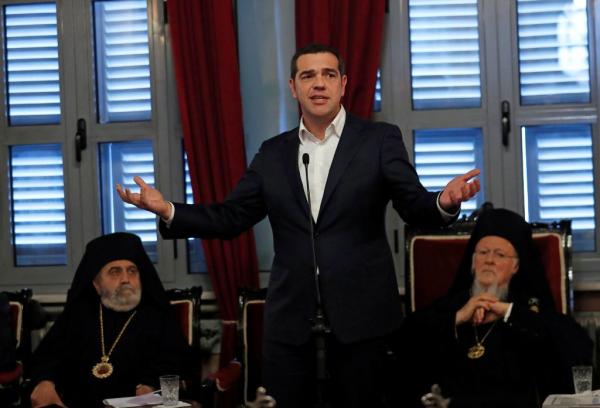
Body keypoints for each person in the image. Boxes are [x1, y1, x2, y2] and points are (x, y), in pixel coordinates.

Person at [117, 43, 480, 407]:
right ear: (293, 87)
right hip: (291, 322)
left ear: (343, 84)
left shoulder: (378, 140)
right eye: (308, 76)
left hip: (364, 319)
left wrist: (443, 201)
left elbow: (413, 205)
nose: (318, 83)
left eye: (328, 74)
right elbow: (230, 217)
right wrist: (168, 209)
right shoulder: (273, 153)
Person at [398, 208, 593, 408]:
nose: (489, 260)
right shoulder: (453, 305)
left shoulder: (528, 309)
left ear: (516, 266)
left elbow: (578, 350)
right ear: (473, 262)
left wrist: (508, 312)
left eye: (500, 255)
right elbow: (404, 340)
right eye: (483, 252)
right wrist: (458, 318)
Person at [29, 232, 191, 408]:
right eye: (115, 272)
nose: (125, 279)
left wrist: (149, 385)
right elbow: (47, 358)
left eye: (132, 271)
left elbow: (175, 364)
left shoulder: (156, 316)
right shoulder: (78, 315)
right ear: (96, 285)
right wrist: (45, 382)